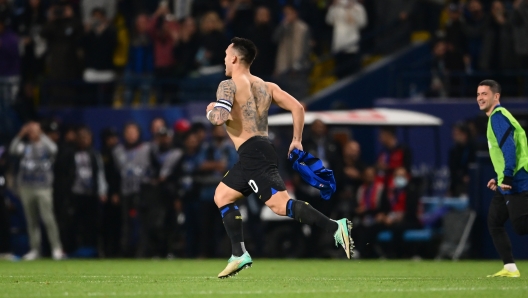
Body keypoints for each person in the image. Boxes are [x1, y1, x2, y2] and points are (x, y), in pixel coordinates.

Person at [206, 37, 353, 278]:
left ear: (234, 58)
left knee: (280, 206)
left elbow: (219, 118)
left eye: (225, 55)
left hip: (254, 154)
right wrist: (297, 139)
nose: (224, 59)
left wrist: (211, 108)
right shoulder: (267, 86)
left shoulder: (228, 85)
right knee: (222, 195)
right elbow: (298, 108)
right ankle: (238, 253)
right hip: (258, 150)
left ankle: (336, 227)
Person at [477, 79, 528, 277]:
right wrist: (499, 178)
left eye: (484, 94)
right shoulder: (497, 118)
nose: (480, 98)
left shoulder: (498, 116)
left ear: (496, 96)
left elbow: (509, 148)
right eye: (478, 94)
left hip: (516, 179)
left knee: (521, 226)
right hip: (506, 179)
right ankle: (510, 268)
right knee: (495, 221)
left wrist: (506, 177)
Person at [9, 122, 65, 260]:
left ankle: (56, 248)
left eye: (35, 131)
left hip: (43, 187)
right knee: (31, 221)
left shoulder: (46, 146)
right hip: (27, 187)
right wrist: (20, 134)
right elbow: (12, 149)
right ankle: (35, 249)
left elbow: (54, 149)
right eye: (31, 131)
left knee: (48, 219)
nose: (32, 133)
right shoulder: (25, 147)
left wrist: (41, 134)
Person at [326, 0, 368, 78]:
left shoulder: (358, 7)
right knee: (340, 75)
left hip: (352, 46)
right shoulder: (336, 7)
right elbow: (329, 20)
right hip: (339, 47)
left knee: (353, 75)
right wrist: (334, 7)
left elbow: (363, 23)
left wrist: (353, 12)